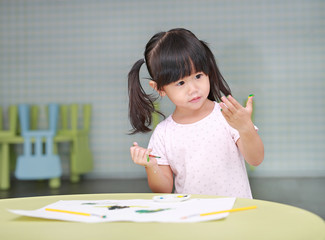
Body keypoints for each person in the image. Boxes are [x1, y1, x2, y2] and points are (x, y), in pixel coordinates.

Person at [128, 28, 264, 198]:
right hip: (191, 218)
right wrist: (151, 166)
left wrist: (245, 128)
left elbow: (256, 159)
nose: (193, 89)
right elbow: (163, 189)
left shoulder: (226, 115)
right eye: (180, 83)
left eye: (198, 76)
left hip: (235, 215)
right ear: (159, 88)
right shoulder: (163, 133)